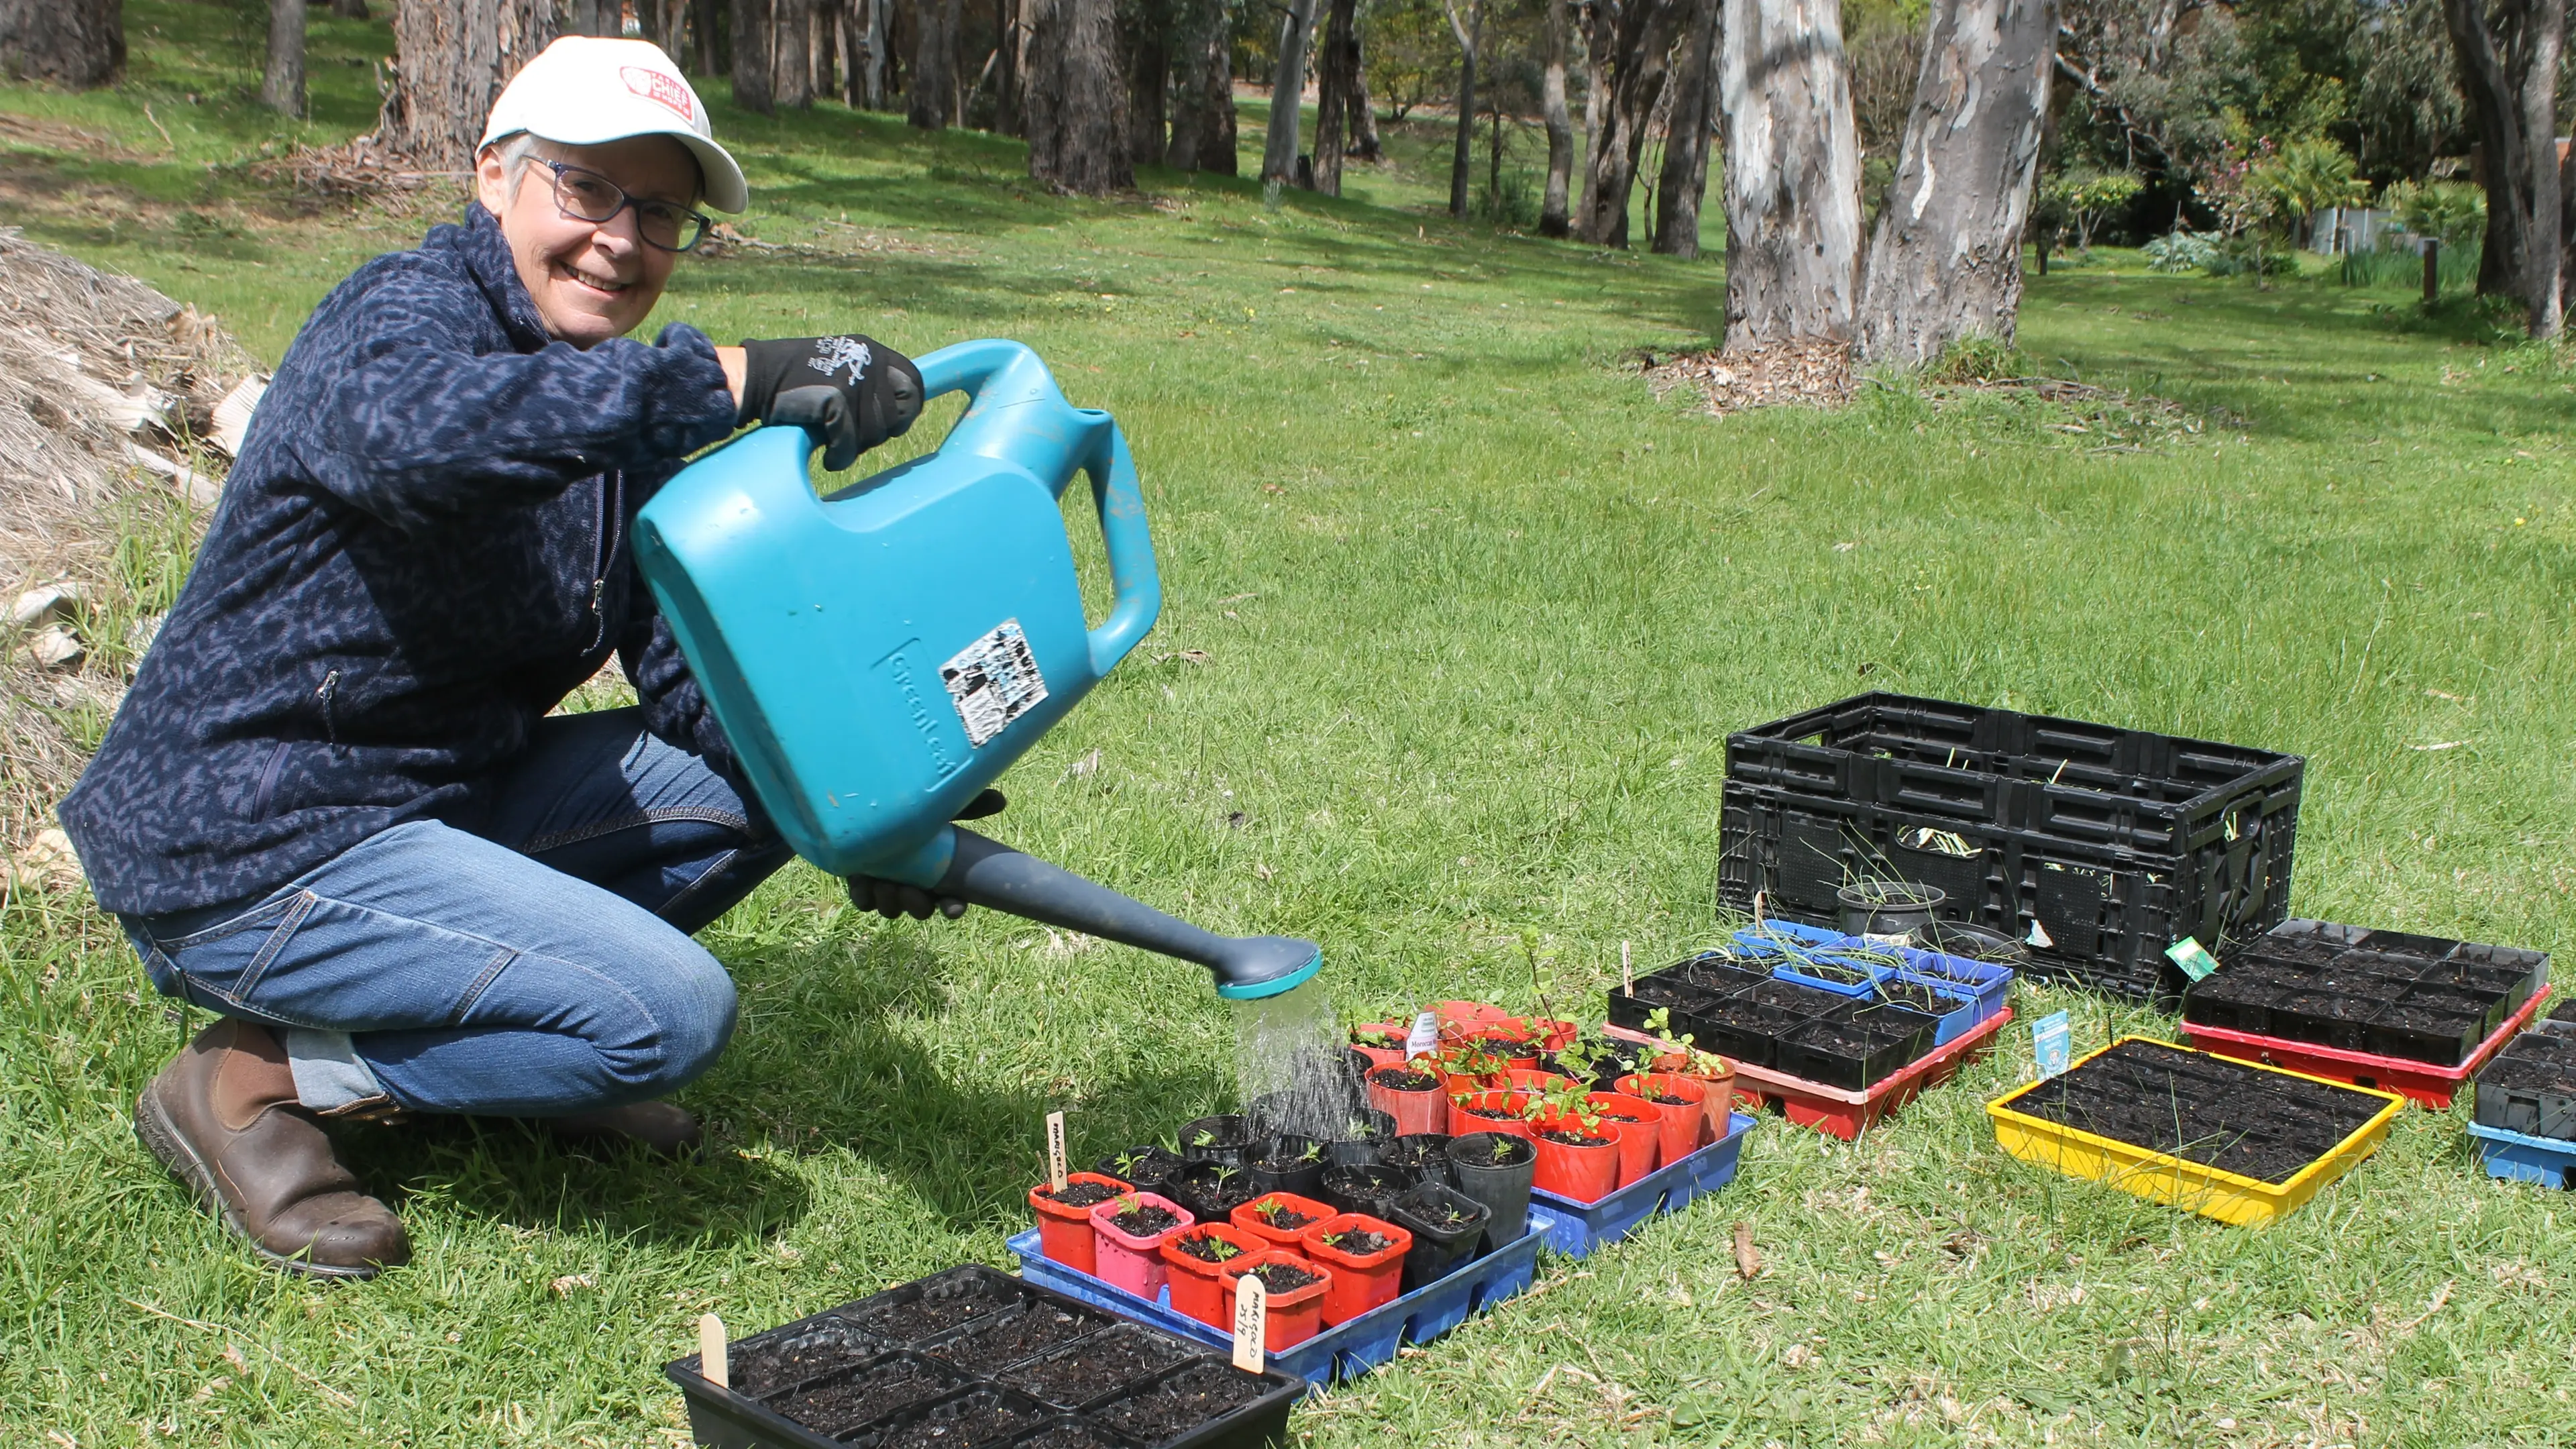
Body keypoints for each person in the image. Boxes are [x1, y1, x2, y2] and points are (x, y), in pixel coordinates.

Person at [57, 37, 952, 1281]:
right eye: (587, 191)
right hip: (248, 839)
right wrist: (732, 379)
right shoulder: (399, 318)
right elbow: (416, 446)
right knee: (669, 1015)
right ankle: (251, 1078)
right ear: (493, 179)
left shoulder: (617, 407)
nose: (621, 241)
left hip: (433, 806)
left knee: (766, 776)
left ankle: (518, 1043)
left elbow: (689, 679)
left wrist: (865, 806)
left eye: (659, 214)